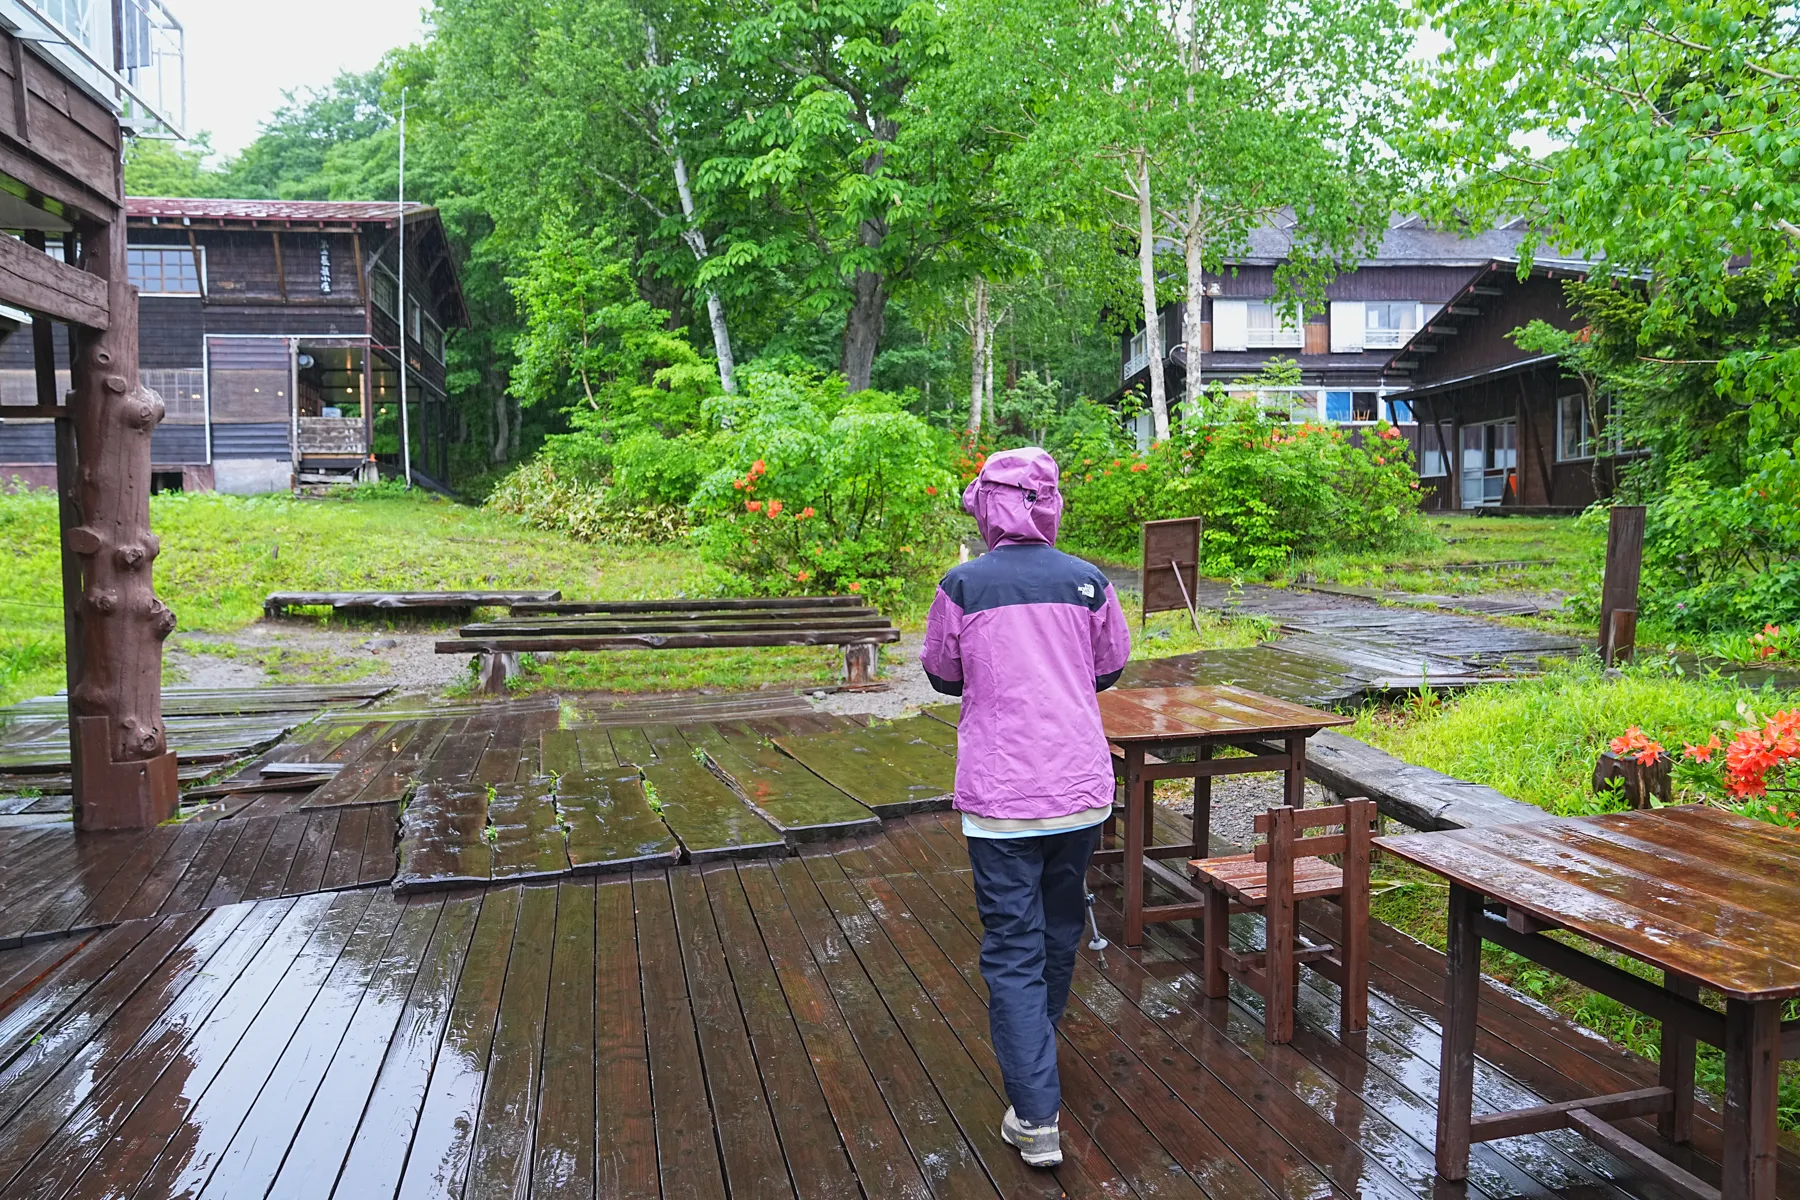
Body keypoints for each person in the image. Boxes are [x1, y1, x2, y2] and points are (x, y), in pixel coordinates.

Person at [920, 446, 1131, 1168]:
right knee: (1059, 929)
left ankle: (1036, 1114)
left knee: (1013, 947)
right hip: (1078, 793)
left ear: (989, 504)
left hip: (1003, 798)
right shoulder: (1088, 582)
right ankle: (1036, 1058)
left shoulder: (963, 586)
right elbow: (1108, 667)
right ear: (1048, 502)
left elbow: (943, 674)